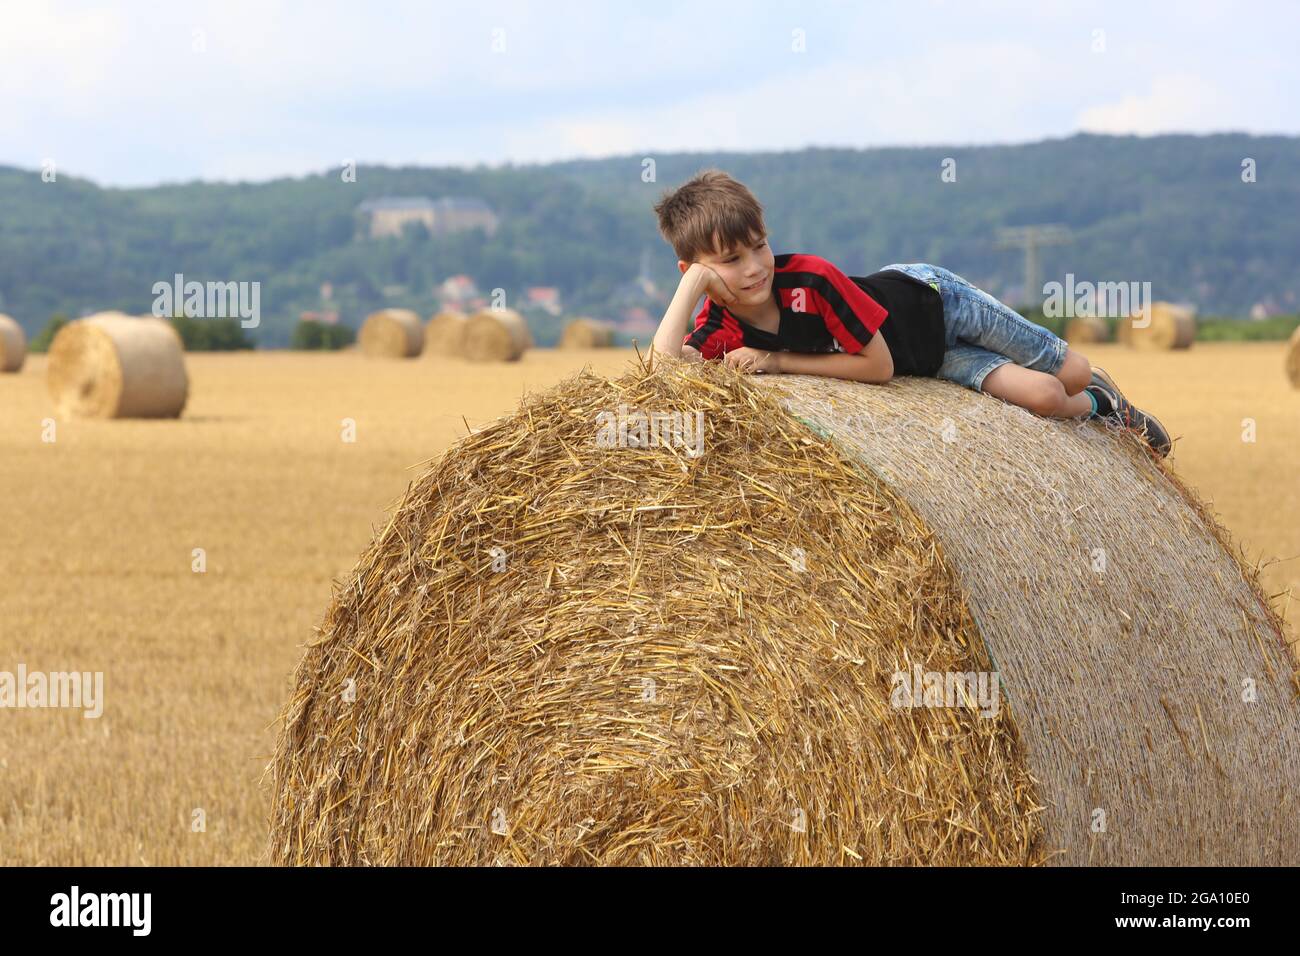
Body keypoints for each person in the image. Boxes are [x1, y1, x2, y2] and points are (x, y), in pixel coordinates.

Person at [649, 168, 1171, 457]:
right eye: (730, 261)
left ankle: (1094, 380)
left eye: (759, 247)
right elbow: (658, 375)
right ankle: (1104, 407)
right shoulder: (718, 324)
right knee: (1048, 396)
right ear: (694, 269)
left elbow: (876, 369)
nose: (755, 267)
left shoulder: (811, 278)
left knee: (1071, 371)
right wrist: (691, 287)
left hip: (937, 305)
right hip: (930, 362)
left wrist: (778, 362)